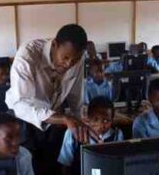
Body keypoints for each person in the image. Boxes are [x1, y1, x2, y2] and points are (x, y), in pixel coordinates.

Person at [5, 24, 99, 175]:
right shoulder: (28, 55)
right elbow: (22, 104)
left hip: (54, 118)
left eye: (74, 60)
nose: (69, 64)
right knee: (29, 166)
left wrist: (82, 121)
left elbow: (77, 97)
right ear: (55, 45)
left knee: (52, 165)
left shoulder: (77, 58)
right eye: (66, 57)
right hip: (23, 118)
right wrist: (64, 118)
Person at [58, 96, 123, 175]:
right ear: (88, 118)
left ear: (112, 119)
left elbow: (119, 164)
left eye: (106, 120)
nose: (100, 125)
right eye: (95, 119)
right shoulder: (73, 133)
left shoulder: (117, 134)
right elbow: (65, 164)